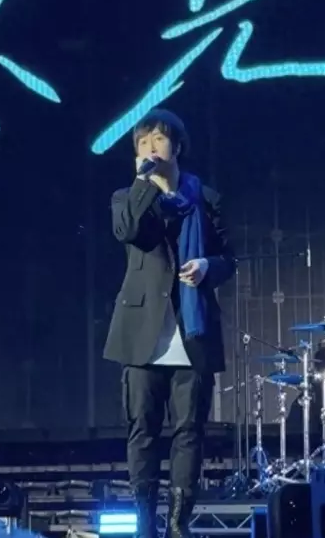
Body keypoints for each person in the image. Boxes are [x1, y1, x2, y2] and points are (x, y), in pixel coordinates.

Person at [103, 108, 235, 538]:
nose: (150, 149)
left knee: (188, 431)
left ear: (176, 147)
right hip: (142, 332)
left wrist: (207, 266)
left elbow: (229, 259)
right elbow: (128, 232)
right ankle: (145, 525)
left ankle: (178, 524)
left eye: (158, 140)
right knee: (142, 429)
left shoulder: (206, 198)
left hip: (191, 331)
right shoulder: (127, 197)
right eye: (142, 143)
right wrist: (144, 182)